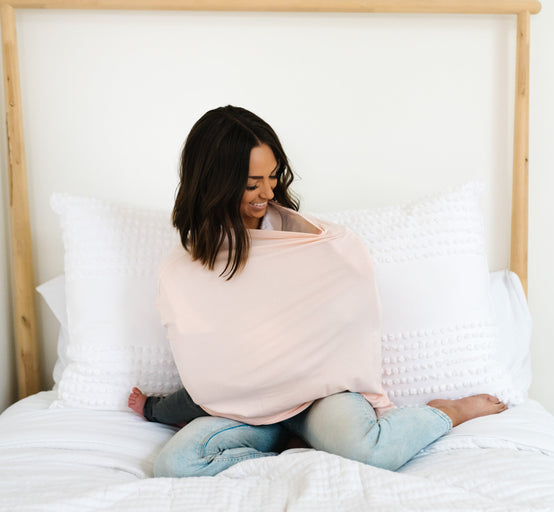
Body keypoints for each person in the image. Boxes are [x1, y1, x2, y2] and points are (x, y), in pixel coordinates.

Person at [134, 105, 507, 478]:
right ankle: (293, 449)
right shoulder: (184, 270)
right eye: (252, 183)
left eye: (273, 176)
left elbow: (352, 326)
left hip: (318, 399)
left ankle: (445, 411)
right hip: (244, 413)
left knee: (368, 452)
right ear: (213, 184)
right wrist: (156, 408)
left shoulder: (310, 244)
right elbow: (212, 372)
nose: (268, 192)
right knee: (175, 464)